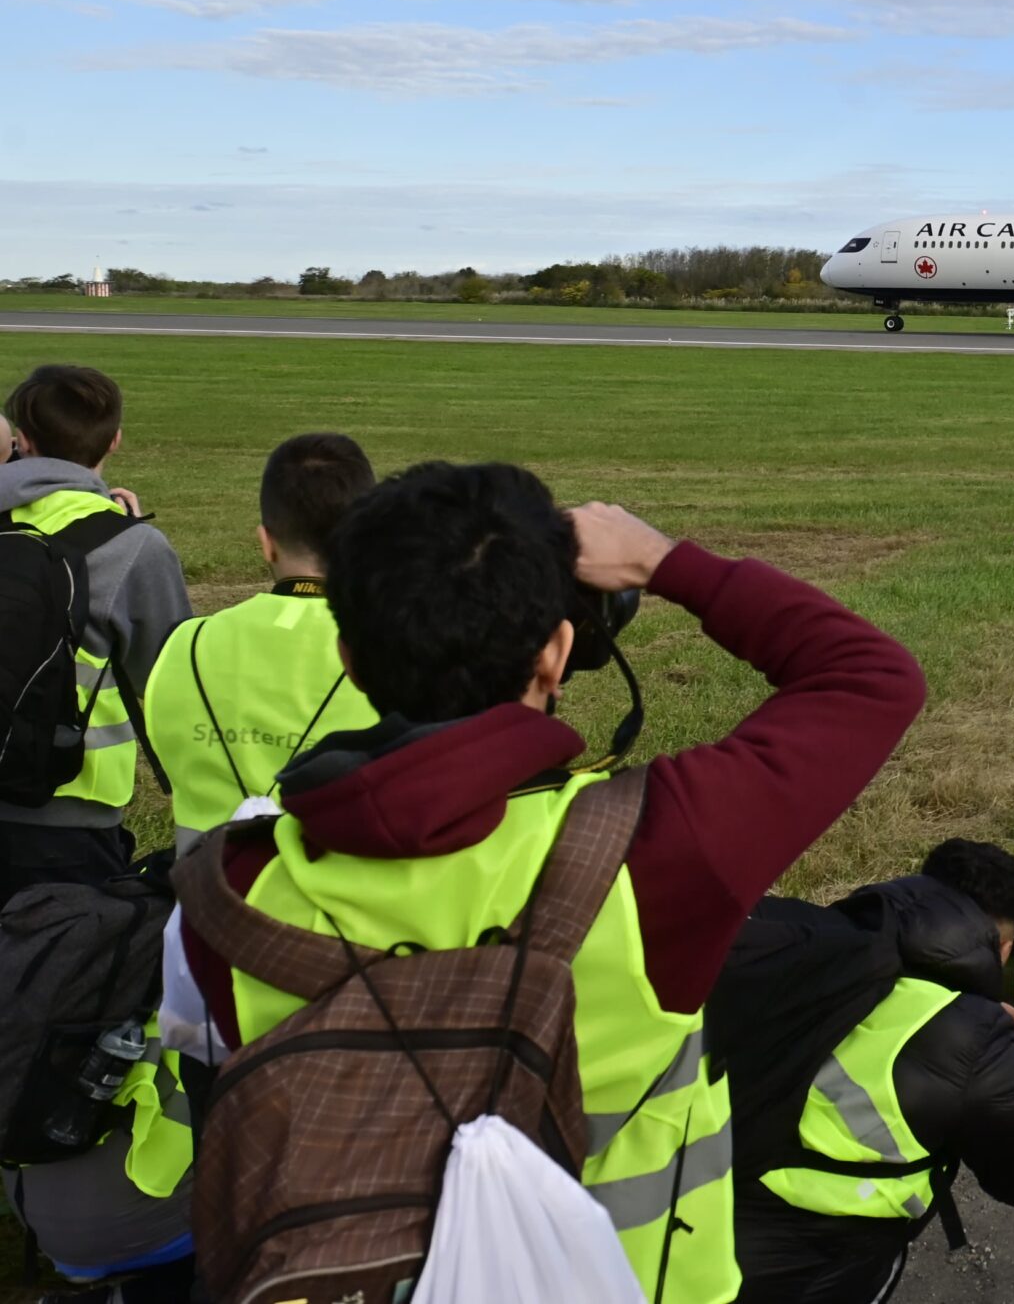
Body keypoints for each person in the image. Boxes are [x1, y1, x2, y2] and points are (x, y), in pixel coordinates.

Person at [167, 461, 929, 1304]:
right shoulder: (658, 853)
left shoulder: (231, 893)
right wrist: (663, 559)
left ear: (348, 658)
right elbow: (871, 677)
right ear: (559, 651)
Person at [721, 838, 1014, 1304]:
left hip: (678, 1223)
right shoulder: (970, 1040)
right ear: (1004, 949)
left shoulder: (811, 942)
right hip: (812, 1269)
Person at [1, 365, 192, 903]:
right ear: (115, 440)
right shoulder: (132, 547)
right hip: (68, 815)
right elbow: (168, 679)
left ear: (22, 440)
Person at [142, 433, 379, 850]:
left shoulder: (186, 645)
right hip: (342, 903)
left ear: (266, 542)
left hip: (205, 900)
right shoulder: (405, 661)